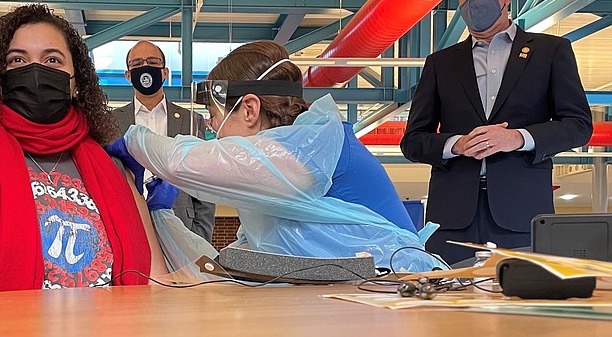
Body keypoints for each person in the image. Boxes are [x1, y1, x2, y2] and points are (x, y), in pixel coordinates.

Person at [110, 40, 443, 273]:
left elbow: (183, 161)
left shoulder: (308, 152)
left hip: (392, 291)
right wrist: (166, 221)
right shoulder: (281, 178)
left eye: (213, 114)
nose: (211, 125)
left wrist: (134, 139)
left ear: (251, 109)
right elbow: (236, 266)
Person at [0, 4, 166, 296]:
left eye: (52, 59)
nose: (36, 71)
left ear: (76, 83)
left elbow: (156, 284)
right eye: (17, 60)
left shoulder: (111, 167)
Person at [400, 0, 593, 264]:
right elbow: (412, 140)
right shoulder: (441, 64)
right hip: (450, 219)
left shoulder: (550, 51)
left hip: (522, 215)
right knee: (446, 307)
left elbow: (578, 125)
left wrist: (518, 138)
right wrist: (455, 144)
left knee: (520, 304)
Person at [112, 40, 214, 243]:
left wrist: (200, 236)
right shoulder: (110, 121)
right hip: (128, 226)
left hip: (183, 228)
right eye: (137, 64)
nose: (145, 68)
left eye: (152, 61)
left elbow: (204, 181)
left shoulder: (192, 120)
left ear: (165, 72)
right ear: (128, 75)